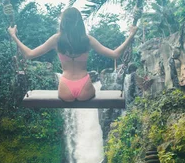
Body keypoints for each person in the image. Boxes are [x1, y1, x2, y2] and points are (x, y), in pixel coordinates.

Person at [8, 7, 137, 102]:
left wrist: (14, 36)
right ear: (80, 22)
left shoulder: (56, 40)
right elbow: (115, 54)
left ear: (63, 22)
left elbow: (29, 54)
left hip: (65, 87)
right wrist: (131, 35)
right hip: (85, 86)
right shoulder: (87, 40)